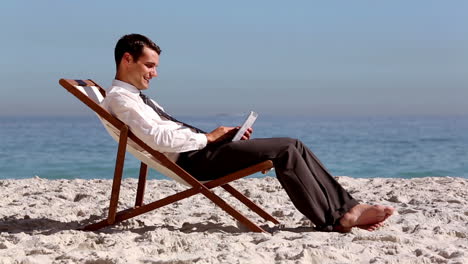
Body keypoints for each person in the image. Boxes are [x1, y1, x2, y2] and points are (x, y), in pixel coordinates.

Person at [101, 33, 394, 232]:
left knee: (295, 145)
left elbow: (161, 134)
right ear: (127, 59)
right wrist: (210, 138)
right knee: (286, 149)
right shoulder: (122, 100)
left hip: (200, 151)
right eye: (149, 65)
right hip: (194, 160)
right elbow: (158, 139)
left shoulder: (134, 98)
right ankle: (332, 219)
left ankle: (347, 207)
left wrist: (222, 138)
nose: (154, 73)